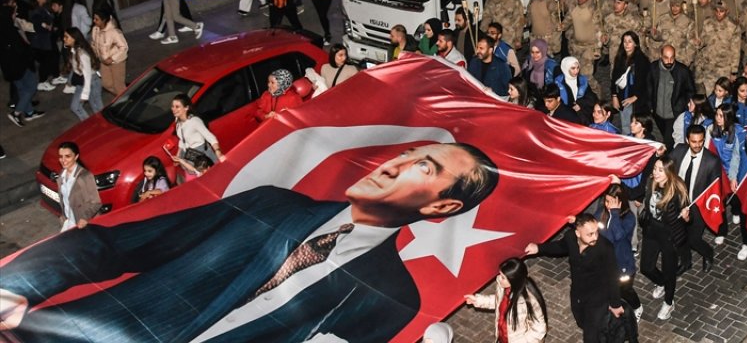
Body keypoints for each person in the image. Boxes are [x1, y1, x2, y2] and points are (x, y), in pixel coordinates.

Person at [1, 142, 498, 341]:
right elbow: (117, 245)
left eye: (423, 167)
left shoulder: (393, 295)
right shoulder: (270, 205)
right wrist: (14, 285)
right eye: (410, 151)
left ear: (442, 207)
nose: (395, 163)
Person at [526, 213, 627, 343]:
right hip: (578, 293)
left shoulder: (605, 248)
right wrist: (538, 248)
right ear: (578, 233)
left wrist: (615, 304)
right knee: (581, 322)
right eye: (590, 234)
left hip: (597, 297)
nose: (595, 237)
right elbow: (560, 247)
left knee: (591, 336)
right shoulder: (570, 238)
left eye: (596, 232)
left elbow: (612, 277)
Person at [631, 156, 689, 320]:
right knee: (646, 268)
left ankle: (669, 302)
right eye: (655, 169)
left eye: (660, 170)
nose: (655, 172)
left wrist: (686, 216)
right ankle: (662, 283)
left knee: (669, 271)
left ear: (669, 172)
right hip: (651, 231)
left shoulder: (677, 190)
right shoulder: (651, 183)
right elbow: (639, 195)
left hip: (669, 235)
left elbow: (686, 215)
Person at [670, 124, 720, 273]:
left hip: (698, 207)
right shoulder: (679, 150)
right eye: (694, 141)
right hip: (678, 203)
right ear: (687, 140)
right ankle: (686, 262)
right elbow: (667, 166)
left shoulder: (711, 161)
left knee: (693, 239)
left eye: (701, 141)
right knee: (678, 237)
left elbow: (714, 189)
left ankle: (708, 253)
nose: (698, 145)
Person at [462, 257, 548, 343]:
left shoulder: (529, 301)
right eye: (499, 274)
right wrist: (477, 300)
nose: (499, 278)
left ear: (513, 280)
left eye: (503, 277)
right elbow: (499, 301)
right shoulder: (504, 287)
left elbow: (539, 329)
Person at [599, 183, 641, 314]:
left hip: (623, 264)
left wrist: (614, 214)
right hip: (606, 263)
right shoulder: (601, 213)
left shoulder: (629, 218)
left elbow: (617, 236)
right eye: (606, 201)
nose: (608, 205)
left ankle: (637, 308)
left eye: (612, 202)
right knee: (609, 288)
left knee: (625, 290)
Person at [646, 45, 696, 148]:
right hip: (658, 113)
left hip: (674, 114)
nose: (669, 61)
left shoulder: (683, 71)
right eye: (666, 58)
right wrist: (650, 106)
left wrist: (685, 107)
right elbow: (649, 87)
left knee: (668, 141)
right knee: (664, 134)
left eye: (672, 58)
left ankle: (669, 160)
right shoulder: (653, 68)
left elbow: (691, 91)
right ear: (660, 56)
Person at [52, 141, 102, 232]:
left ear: (76, 156)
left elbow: (96, 203)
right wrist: (63, 217)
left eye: (67, 156)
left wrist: (84, 218)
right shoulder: (62, 175)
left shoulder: (84, 176)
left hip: (83, 224)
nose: (63, 160)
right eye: (61, 156)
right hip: (69, 222)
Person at [610, 31, 651, 130]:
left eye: (630, 41)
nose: (627, 44)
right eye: (625, 41)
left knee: (637, 127)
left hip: (638, 100)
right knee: (625, 125)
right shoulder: (620, 58)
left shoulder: (642, 60)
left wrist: (635, 97)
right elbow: (614, 78)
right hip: (623, 97)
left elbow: (646, 82)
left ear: (635, 44)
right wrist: (614, 96)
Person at [171, 93, 223, 167]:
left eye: (177, 107)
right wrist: (178, 156)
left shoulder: (194, 121)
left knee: (214, 172)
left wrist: (218, 151)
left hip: (202, 152)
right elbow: (182, 140)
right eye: (172, 106)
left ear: (186, 108)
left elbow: (210, 137)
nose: (173, 109)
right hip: (192, 154)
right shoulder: (178, 121)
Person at [63, 29, 103, 121]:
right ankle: (89, 124)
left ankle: (102, 127)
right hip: (81, 82)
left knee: (97, 109)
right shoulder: (73, 50)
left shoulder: (82, 54)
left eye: (66, 37)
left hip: (91, 82)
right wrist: (69, 81)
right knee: (75, 106)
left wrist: (85, 95)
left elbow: (87, 76)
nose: (64, 39)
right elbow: (75, 68)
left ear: (74, 39)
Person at [90, 7, 128, 98]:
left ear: (104, 20)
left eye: (97, 19)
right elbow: (94, 44)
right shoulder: (95, 30)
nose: (94, 21)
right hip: (103, 61)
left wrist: (112, 58)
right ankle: (124, 96)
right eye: (94, 18)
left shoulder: (114, 32)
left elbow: (124, 47)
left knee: (118, 86)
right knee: (106, 83)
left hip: (117, 62)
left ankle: (123, 100)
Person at [555, 56, 596, 121]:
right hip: (565, 115)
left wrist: (580, 104)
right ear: (566, 68)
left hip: (581, 113)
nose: (576, 71)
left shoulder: (582, 81)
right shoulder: (558, 83)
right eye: (573, 68)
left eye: (578, 68)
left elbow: (591, 98)